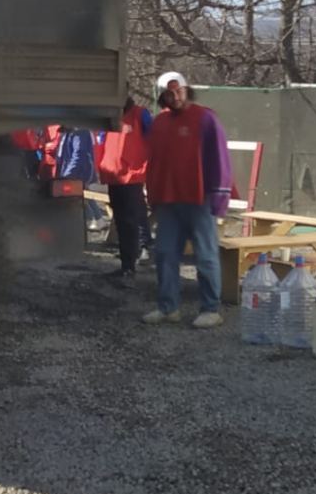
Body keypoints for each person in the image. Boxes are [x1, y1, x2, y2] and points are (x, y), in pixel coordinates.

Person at [141, 70, 232, 329]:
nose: (175, 96)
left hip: (199, 198)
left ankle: (211, 308)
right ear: (163, 96)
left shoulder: (205, 118)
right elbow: (154, 162)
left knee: (205, 255)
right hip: (168, 200)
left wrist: (220, 195)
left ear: (186, 89)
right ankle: (168, 307)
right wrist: (153, 194)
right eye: (169, 93)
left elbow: (220, 159)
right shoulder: (159, 123)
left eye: (178, 90)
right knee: (165, 253)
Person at [95, 95, 153, 281]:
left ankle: (130, 268)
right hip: (113, 176)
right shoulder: (111, 117)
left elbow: (154, 141)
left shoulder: (140, 115)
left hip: (131, 177)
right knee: (121, 223)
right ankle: (126, 265)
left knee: (129, 222)